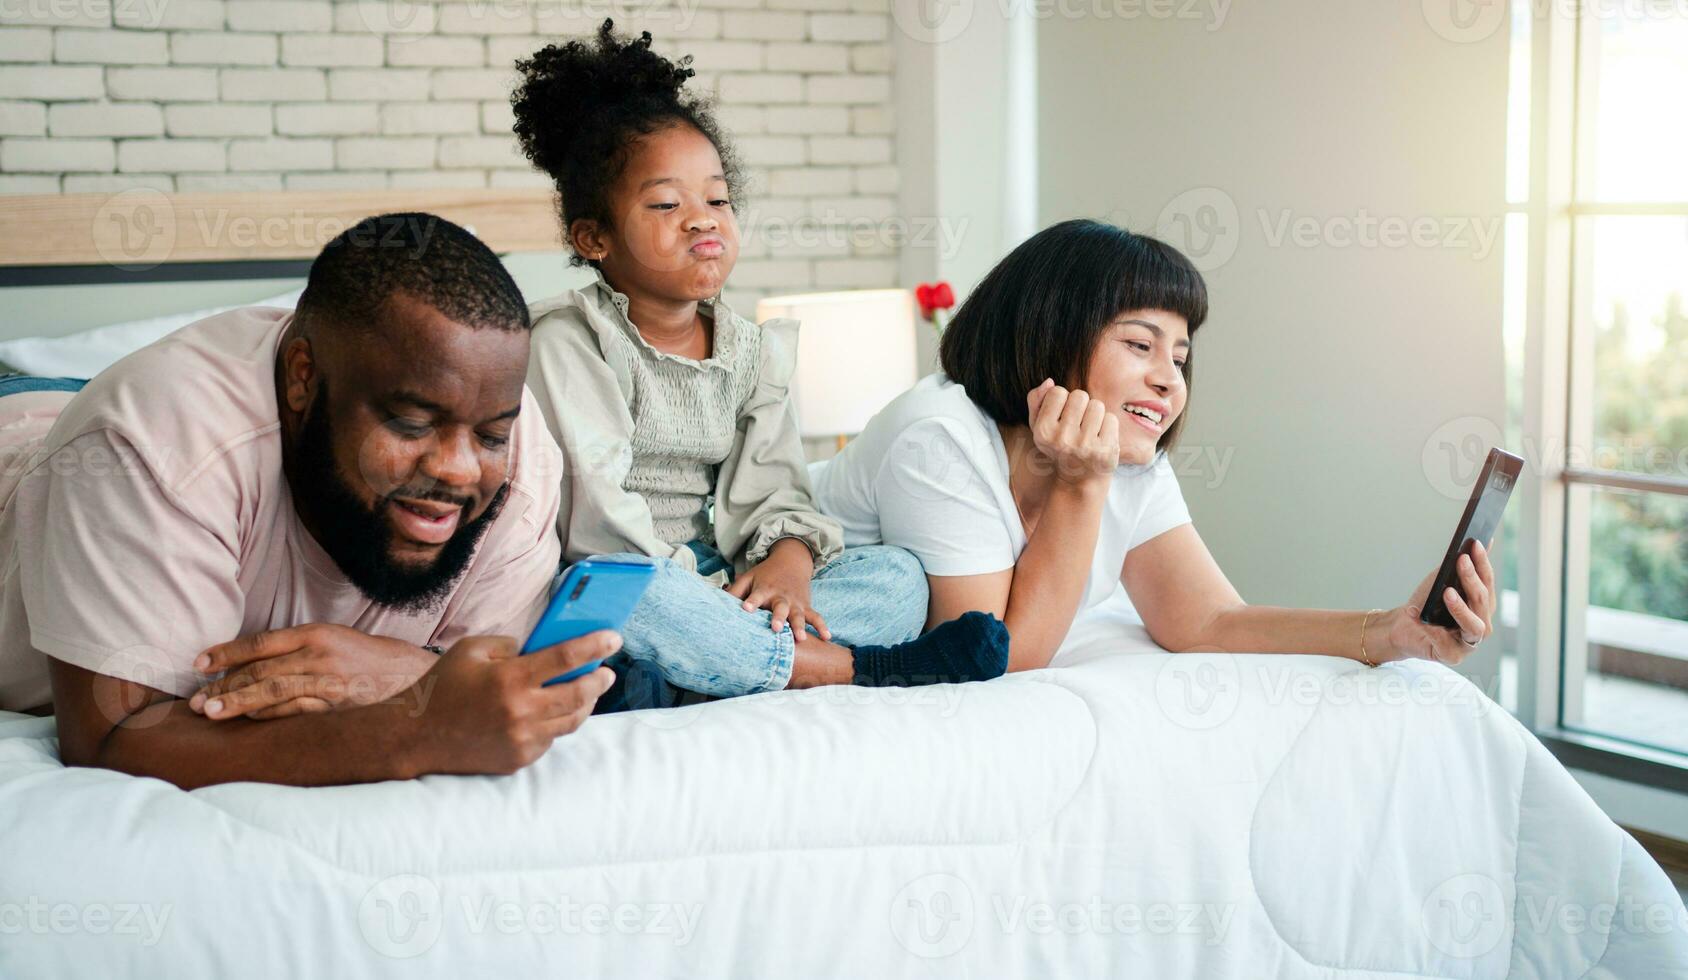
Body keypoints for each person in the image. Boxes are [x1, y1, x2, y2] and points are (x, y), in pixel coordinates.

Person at [0, 213, 617, 788]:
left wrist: (395, 673)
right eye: (409, 422)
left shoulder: (522, 462)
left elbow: (498, 684)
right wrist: (413, 730)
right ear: (302, 376)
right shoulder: (147, 446)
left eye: (489, 435)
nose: (457, 470)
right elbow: (112, 738)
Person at [509, 21, 1008, 707]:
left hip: (720, 592)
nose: (702, 220)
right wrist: (707, 600)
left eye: (717, 200)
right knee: (634, 601)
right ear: (593, 237)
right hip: (631, 583)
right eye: (665, 204)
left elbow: (774, 495)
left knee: (899, 576)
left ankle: (726, 667)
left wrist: (788, 566)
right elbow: (600, 524)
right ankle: (840, 669)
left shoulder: (751, 350)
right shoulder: (570, 340)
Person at [811, 219, 1499, 670]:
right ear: (1047, 336)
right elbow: (995, 657)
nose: (1168, 379)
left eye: (1180, 356)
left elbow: (1206, 619)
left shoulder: (1126, 454)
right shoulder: (941, 437)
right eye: (1139, 345)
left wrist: (1392, 632)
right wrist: (1082, 486)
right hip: (774, 572)